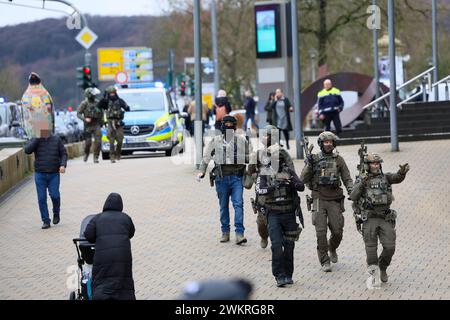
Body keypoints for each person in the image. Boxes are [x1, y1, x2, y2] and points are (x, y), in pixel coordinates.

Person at [251, 126, 304, 287]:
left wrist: (294, 182)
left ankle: (288, 274)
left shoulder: (288, 168)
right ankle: (279, 275)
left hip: (288, 212)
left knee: (289, 246)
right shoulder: (264, 170)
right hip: (272, 212)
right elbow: (258, 186)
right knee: (276, 246)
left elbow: (300, 185)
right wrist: (272, 186)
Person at [350, 153, 409, 288]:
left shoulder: (385, 177)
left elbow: (397, 178)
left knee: (390, 247)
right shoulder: (361, 179)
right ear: (367, 165)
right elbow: (353, 196)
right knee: (371, 250)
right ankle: (374, 274)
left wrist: (402, 172)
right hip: (369, 218)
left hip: (385, 217)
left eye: (378, 163)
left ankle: (383, 267)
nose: (376, 165)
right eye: (373, 163)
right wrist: (361, 182)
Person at [300, 131, 353, 272]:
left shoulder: (338, 160)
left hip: (334, 199)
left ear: (333, 144)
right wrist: (309, 164)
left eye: (330, 142)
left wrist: (352, 191)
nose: (328, 145)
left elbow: (347, 178)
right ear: (321, 144)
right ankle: (324, 260)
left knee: (337, 231)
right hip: (318, 198)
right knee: (320, 232)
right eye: (325, 142)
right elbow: (303, 179)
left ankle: (332, 248)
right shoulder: (314, 159)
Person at [197, 115, 252, 244]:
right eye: (225, 125)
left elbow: (250, 157)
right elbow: (206, 156)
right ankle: (225, 232)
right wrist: (201, 171)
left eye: (230, 125)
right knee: (223, 206)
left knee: (238, 204)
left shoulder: (242, 141)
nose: (228, 128)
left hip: (237, 177)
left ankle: (239, 233)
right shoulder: (215, 141)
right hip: (221, 178)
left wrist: (240, 157)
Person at [246, 125, 296, 249]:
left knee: (282, 218)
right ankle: (264, 236)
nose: (264, 138)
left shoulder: (283, 153)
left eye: (266, 135)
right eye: (263, 135)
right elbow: (250, 170)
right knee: (262, 223)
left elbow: (292, 170)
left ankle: (281, 239)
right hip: (264, 192)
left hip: (281, 192)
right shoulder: (258, 154)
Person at [84, 193, 136, 300]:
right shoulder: (126, 218)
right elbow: (131, 233)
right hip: (122, 256)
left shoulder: (97, 218)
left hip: (103, 257)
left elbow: (88, 235)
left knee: (102, 281)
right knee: (124, 282)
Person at [24, 130, 67, 229]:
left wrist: (63, 165)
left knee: (55, 195)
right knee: (41, 198)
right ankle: (46, 220)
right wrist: (37, 138)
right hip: (40, 174)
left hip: (54, 174)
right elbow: (27, 150)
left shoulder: (56, 139)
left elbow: (64, 154)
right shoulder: (35, 139)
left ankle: (56, 213)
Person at [98, 86, 130, 163]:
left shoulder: (120, 101)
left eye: (113, 93)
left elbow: (127, 108)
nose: (112, 95)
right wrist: (104, 96)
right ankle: (112, 156)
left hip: (119, 123)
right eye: (110, 94)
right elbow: (99, 105)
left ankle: (118, 153)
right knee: (111, 140)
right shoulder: (106, 102)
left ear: (115, 93)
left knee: (120, 140)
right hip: (110, 122)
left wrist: (127, 107)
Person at [77, 87, 103, 163]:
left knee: (98, 141)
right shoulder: (84, 103)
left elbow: (102, 113)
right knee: (88, 143)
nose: (94, 95)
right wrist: (85, 119)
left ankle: (96, 157)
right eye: (93, 94)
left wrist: (102, 122)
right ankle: (86, 153)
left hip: (96, 124)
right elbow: (78, 114)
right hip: (88, 125)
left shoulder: (97, 102)